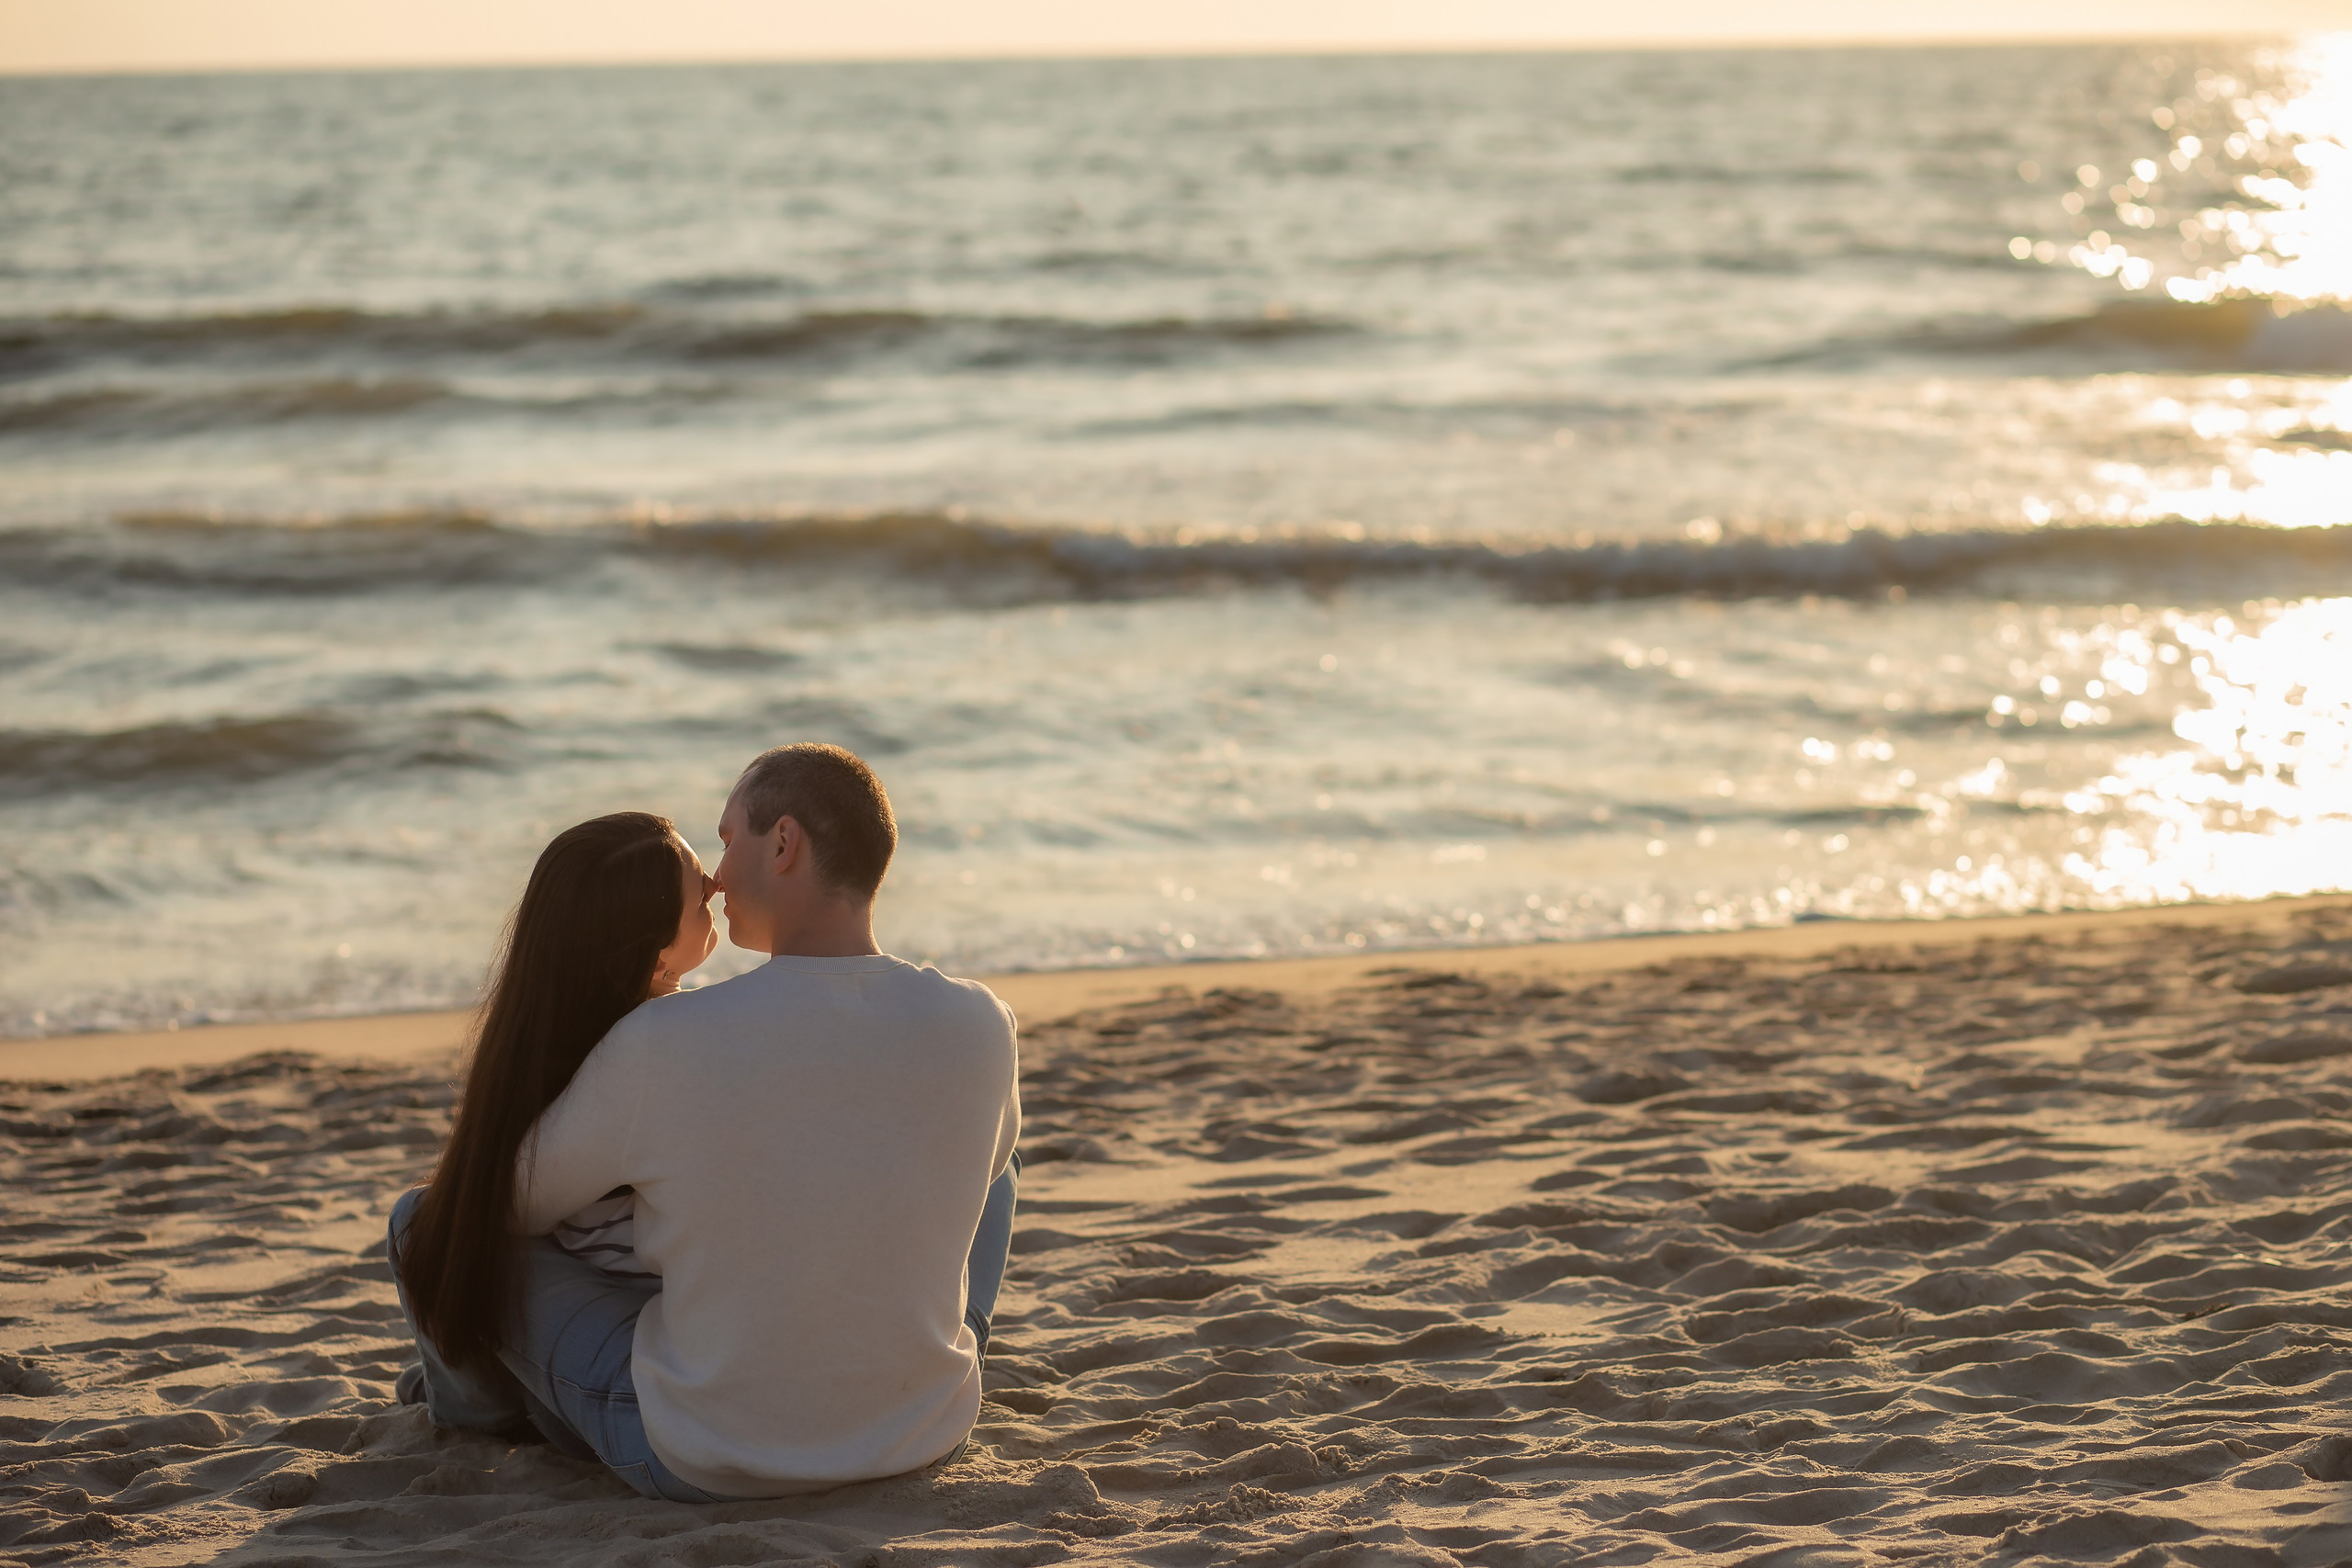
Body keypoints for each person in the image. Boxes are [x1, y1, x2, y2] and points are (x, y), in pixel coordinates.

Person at [388, 747, 1023, 1502]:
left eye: (727, 838)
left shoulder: (665, 1042)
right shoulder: (980, 1022)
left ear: (784, 843)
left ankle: (481, 1413)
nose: (716, 874)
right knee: (998, 1162)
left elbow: (506, 1206)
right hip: (922, 1428)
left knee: (426, 1219)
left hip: (710, 1454)